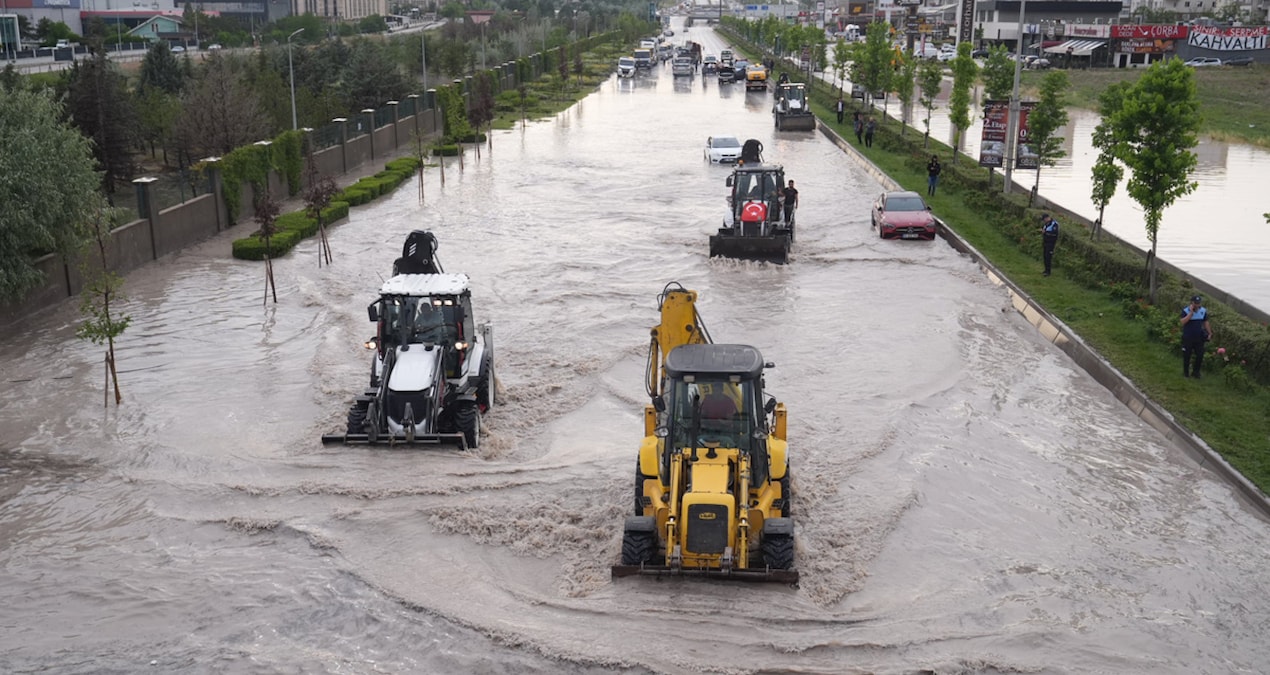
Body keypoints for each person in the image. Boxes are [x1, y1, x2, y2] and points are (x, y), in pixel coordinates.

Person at [1180, 295, 1213, 378]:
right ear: (1192, 303)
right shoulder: (1185, 311)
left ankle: (1196, 372)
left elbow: (1206, 322)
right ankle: (1186, 373)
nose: (1197, 305)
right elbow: (1182, 322)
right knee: (1187, 355)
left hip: (1199, 338)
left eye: (1198, 303)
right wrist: (1190, 313)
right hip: (1188, 337)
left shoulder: (1203, 311)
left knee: (1200, 355)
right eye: (1195, 303)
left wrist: (1209, 333)